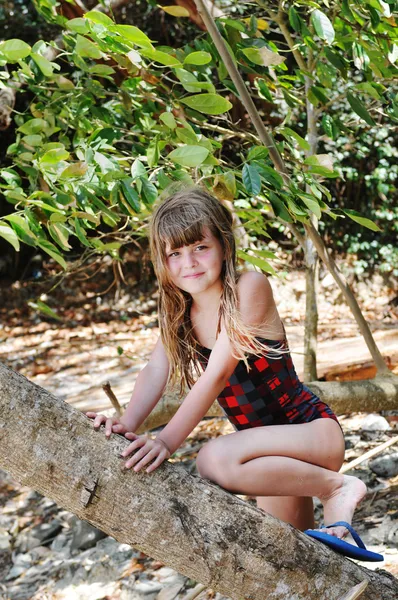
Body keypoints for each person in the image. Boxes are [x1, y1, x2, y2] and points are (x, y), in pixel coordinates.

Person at [87, 187, 366, 537]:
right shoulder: (179, 313)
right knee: (299, 553)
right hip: (263, 459)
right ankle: (338, 532)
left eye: (200, 248)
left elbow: (218, 373)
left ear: (224, 246)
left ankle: (336, 488)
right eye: (175, 253)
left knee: (211, 460)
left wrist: (165, 441)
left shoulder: (249, 287)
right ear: (162, 261)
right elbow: (156, 370)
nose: (188, 263)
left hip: (309, 434)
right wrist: (125, 425)